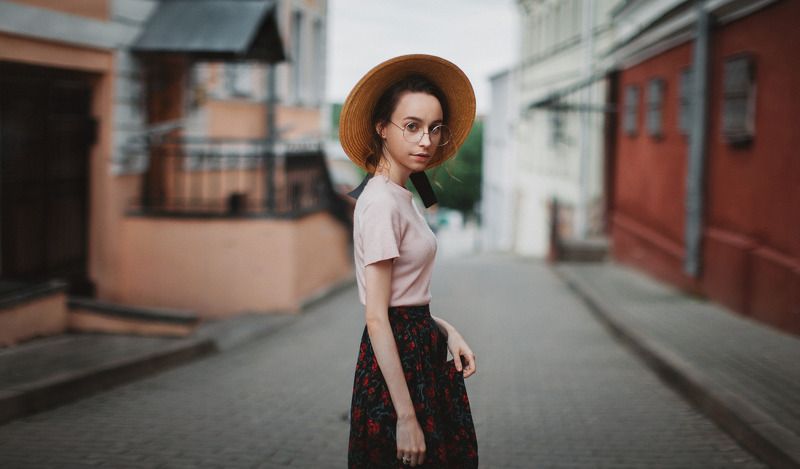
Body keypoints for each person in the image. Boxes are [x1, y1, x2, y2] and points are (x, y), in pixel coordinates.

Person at [341, 54, 479, 468]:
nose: (425, 141)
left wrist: (445, 330)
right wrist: (405, 417)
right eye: (412, 126)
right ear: (382, 128)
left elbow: (404, 300)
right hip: (398, 368)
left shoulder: (400, 196)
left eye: (435, 129)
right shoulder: (382, 202)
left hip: (418, 351)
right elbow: (378, 317)